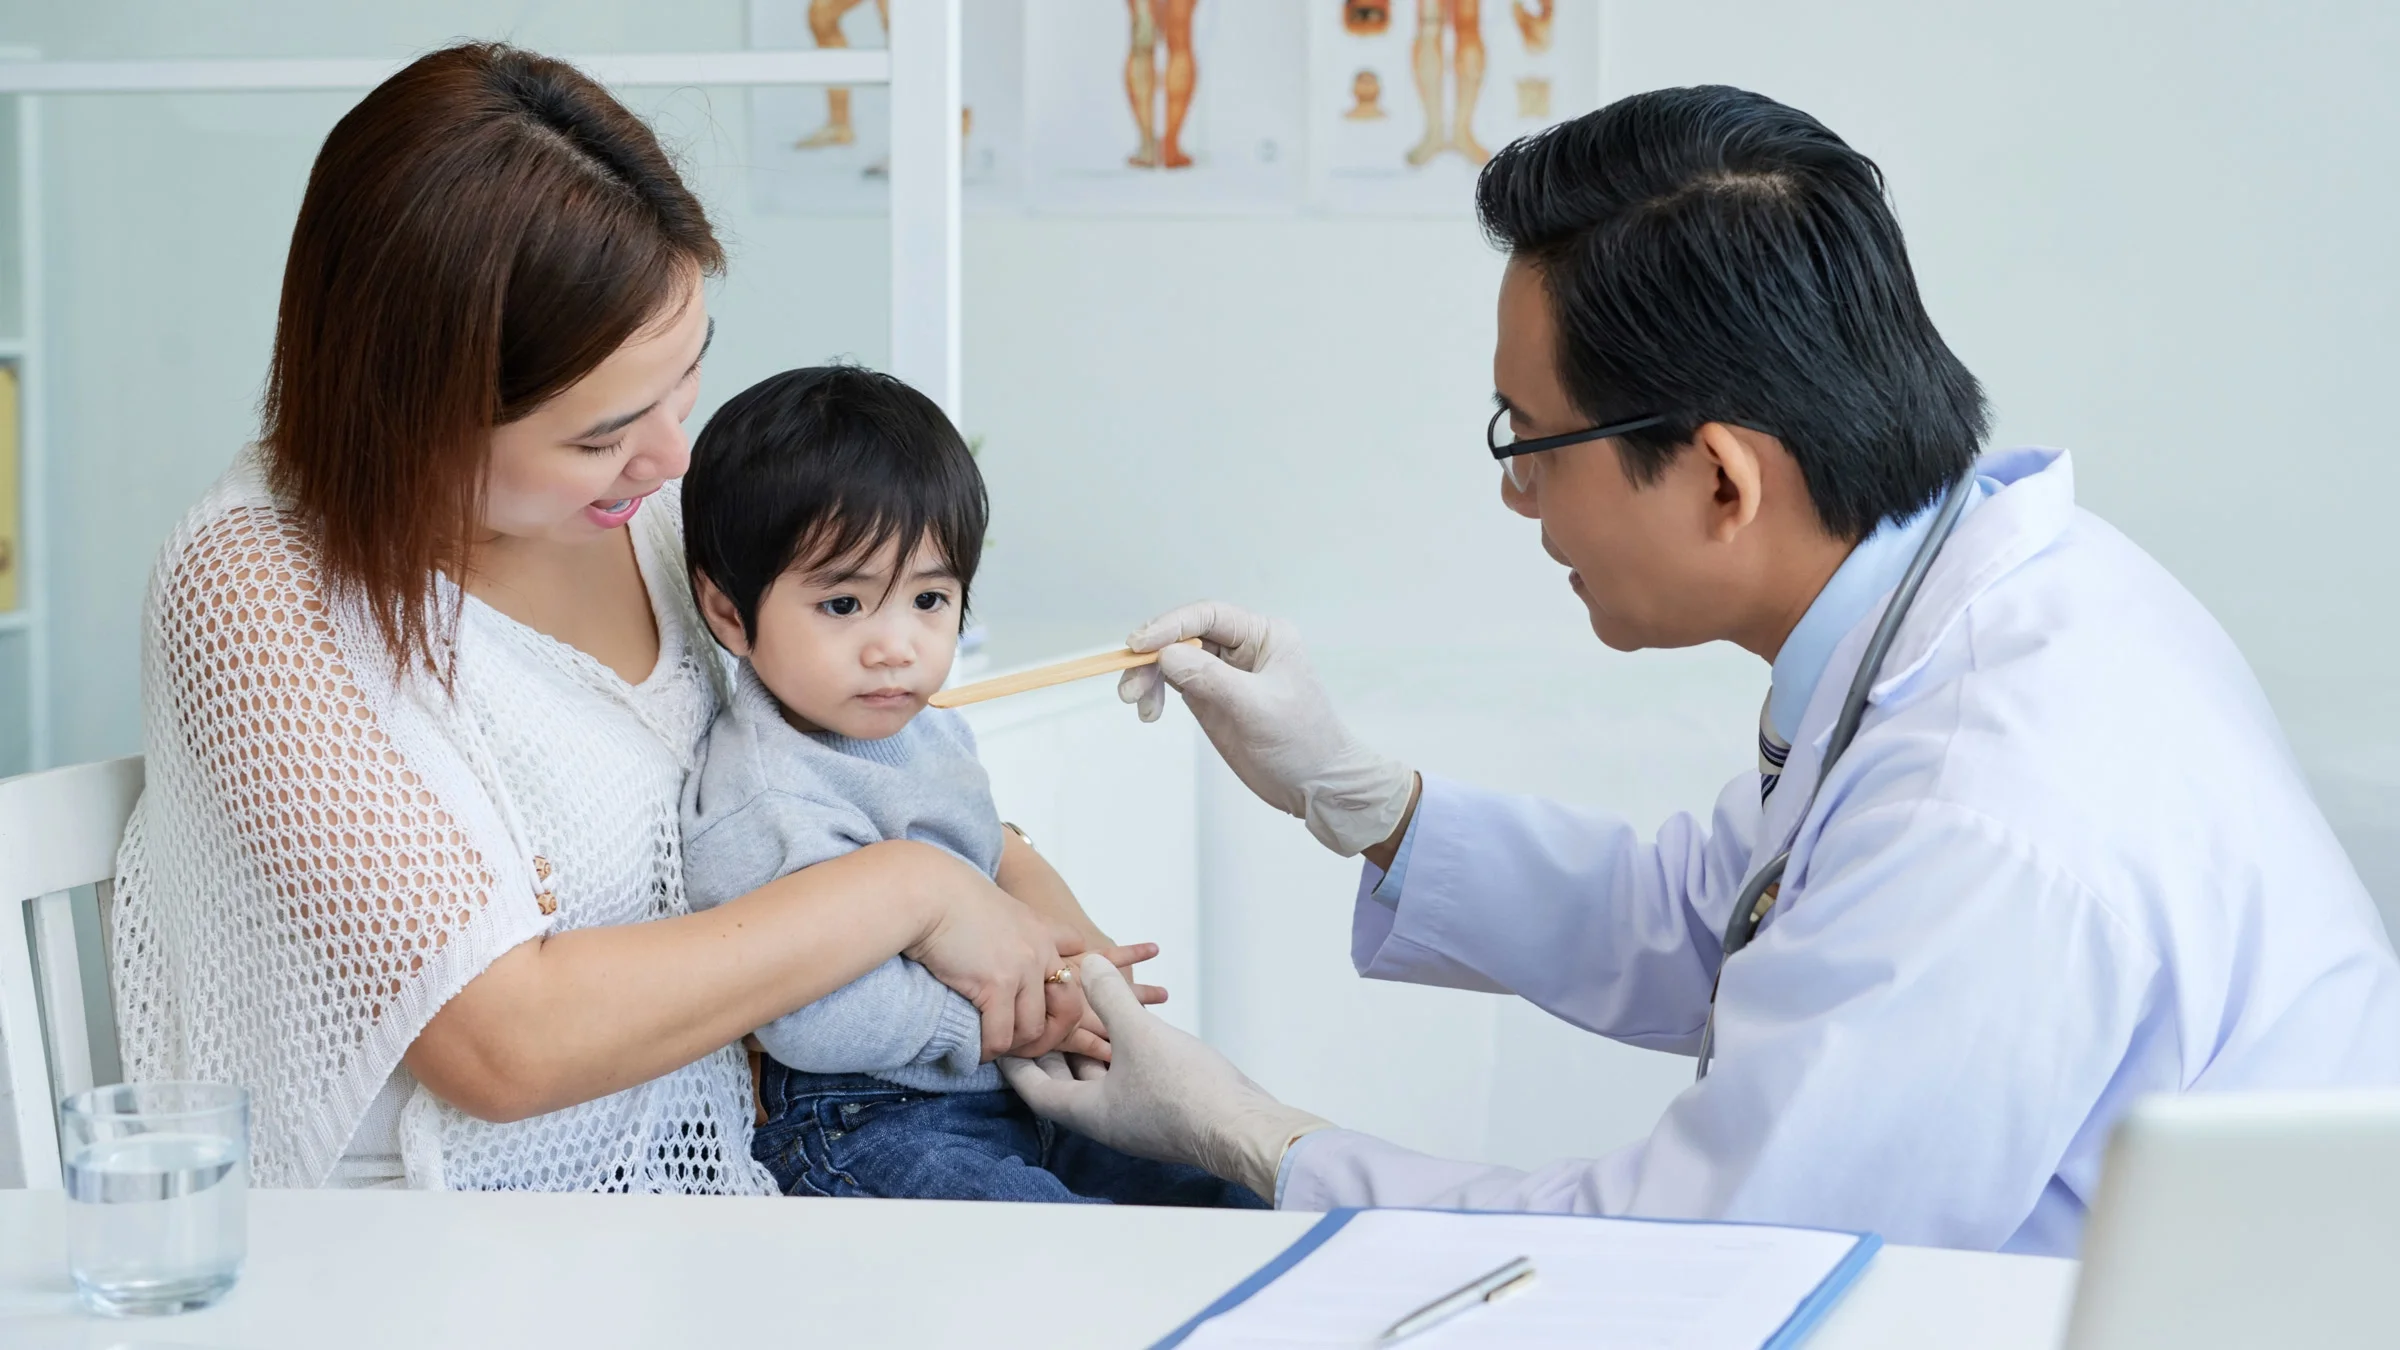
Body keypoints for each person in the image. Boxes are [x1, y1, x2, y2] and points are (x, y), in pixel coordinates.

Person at [1004, 84, 2400, 1255]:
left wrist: (1243, 1129)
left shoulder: (1989, 807)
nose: (1517, 500)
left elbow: (1694, 1274)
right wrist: (1359, 792)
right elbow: (1726, 916)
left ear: (1723, 480)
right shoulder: (1976, 598)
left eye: (1525, 438)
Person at [112, 43, 1093, 1192]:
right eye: (601, 432)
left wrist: (1042, 932)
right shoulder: (253, 586)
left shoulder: (659, 514)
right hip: (441, 1258)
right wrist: (915, 894)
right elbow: (505, 1044)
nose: (674, 453)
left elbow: (862, 762)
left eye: (688, 380)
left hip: (766, 1190)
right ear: (413, 410)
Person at [678, 365, 1264, 1208]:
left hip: (1008, 1085)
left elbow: (987, 855)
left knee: (1230, 1192)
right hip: (867, 1118)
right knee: (1060, 1259)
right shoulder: (764, 794)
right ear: (730, 612)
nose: (897, 646)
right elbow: (806, 1014)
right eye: (844, 605)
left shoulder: (924, 724)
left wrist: (1073, 971)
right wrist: (1010, 1021)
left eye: (929, 598)